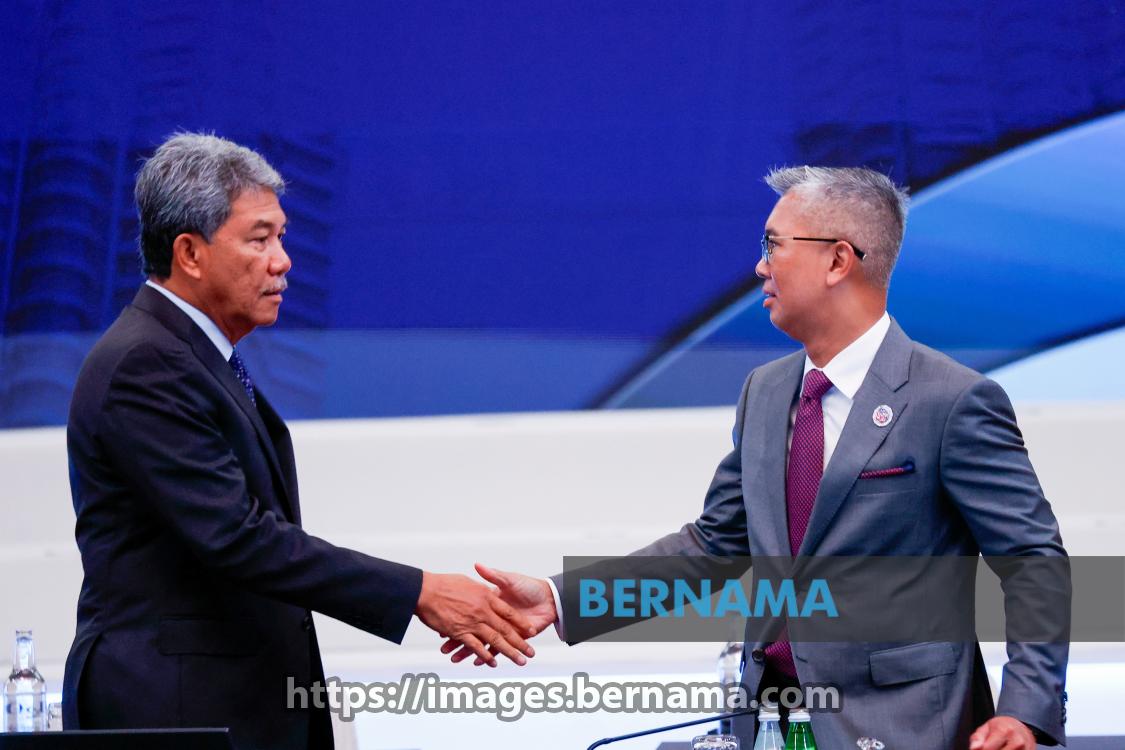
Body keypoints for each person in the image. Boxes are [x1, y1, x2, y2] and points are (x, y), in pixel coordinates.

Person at [444, 167, 1069, 749]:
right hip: (769, 723)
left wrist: (1024, 709)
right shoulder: (766, 392)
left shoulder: (952, 399)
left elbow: (1034, 560)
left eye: (773, 245)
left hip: (905, 727)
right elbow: (715, 544)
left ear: (838, 260)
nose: (759, 265)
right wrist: (560, 599)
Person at [63, 132, 536, 750]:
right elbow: (237, 537)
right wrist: (419, 592)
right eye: (259, 239)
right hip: (175, 709)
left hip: (228, 703)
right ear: (190, 253)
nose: (283, 261)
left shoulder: (190, 355)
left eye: (281, 237)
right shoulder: (146, 364)